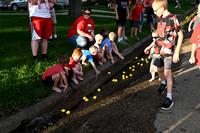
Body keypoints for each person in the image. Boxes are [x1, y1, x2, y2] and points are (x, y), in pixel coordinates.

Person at [144, 0, 183, 110]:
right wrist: (150, 46)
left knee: (167, 73)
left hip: (167, 51)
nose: (155, 12)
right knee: (159, 70)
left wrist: (176, 52)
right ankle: (163, 83)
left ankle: (169, 98)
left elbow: (180, 35)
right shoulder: (159, 17)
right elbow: (159, 35)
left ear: (162, 8)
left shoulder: (173, 19)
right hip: (157, 50)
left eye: (156, 10)